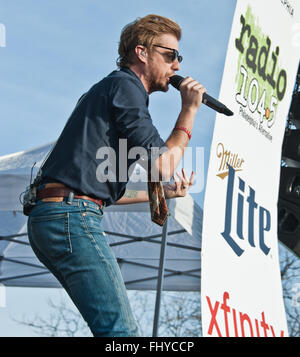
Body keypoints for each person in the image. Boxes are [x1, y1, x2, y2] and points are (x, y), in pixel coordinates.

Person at [27, 14, 206, 337]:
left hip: (57, 214)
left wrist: (162, 194)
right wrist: (189, 111)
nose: (177, 66)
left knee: (111, 331)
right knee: (121, 333)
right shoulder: (126, 86)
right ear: (142, 52)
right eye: (170, 55)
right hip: (71, 216)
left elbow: (104, 190)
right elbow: (165, 164)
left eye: (179, 57)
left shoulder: (110, 95)